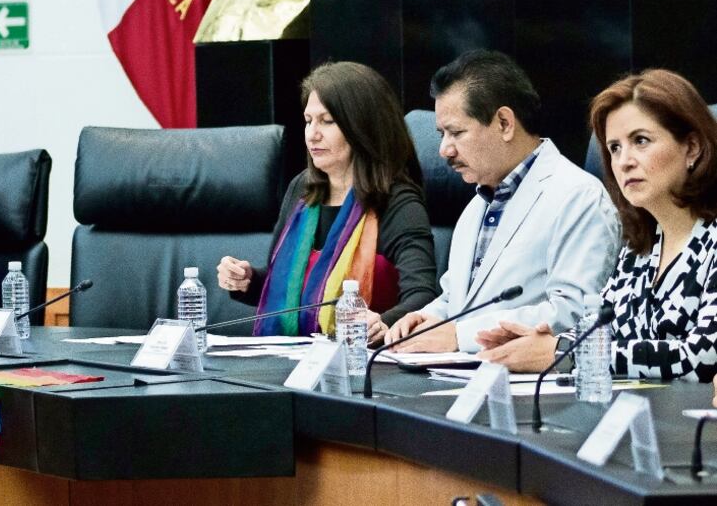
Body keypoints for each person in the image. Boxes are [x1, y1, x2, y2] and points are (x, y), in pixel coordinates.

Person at [478, 70, 717, 383]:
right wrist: (531, 344)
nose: (624, 161)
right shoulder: (638, 250)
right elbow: (598, 329)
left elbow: (702, 356)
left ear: (692, 148)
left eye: (640, 141)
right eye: (614, 148)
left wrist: (566, 352)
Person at [386, 50, 620, 353]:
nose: (444, 150)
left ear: (505, 123)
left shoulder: (578, 196)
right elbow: (456, 300)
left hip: (534, 388)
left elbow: (575, 312)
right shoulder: (477, 204)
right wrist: (426, 318)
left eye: (456, 133)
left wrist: (460, 336)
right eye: (441, 134)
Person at [217, 61, 438, 342]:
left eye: (327, 121)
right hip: (291, 358)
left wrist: (383, 323)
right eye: (309, 120)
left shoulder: (396, 200)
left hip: (366, 360)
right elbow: (294, 294)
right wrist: (248, 280)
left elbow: (423, 295)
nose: (312, 134)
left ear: (363, 126)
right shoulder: (303, 189)